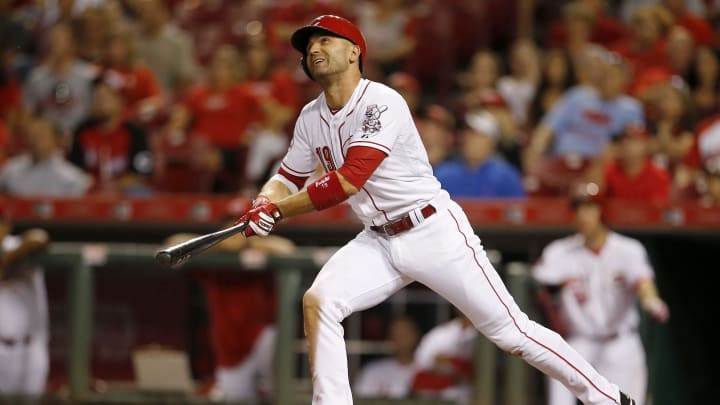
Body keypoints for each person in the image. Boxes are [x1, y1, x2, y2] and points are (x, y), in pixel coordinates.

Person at [232, 15, 639, 405]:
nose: (313, 49)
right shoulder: (310, 117)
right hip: (377, 238)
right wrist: (264, 201)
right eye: (308, 46)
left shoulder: (381, 101)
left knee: (512, 333)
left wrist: (279, 212)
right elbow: (287, 175)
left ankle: (608, 398)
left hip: (431, 231)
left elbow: (348, 180)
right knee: (320, 300)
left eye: (325, 40)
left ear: (355, 51)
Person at [532, 183, 670, 405]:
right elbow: (538, 286)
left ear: (602, 211)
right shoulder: (559, 252)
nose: (583, 216)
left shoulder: (628, 249)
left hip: (620, 343)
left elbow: (643, 283)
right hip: (578, 343)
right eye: (578, 209)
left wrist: (651, 301)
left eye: (590, 208)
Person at [164, 199, 295, 403]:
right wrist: (216, 242)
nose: (234, 227)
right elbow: (173, 243)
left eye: (241, 221)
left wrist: (247, 241)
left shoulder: (262, 248)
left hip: (262, 342)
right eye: (230, 222)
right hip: (229, 352)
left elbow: (287, 249)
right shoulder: (215, 257)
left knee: (280, 393)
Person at [0, 199, 51, 397]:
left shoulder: (16, 244)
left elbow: (40, 237)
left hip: (31, 348)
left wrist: (5, 262)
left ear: (7, 224)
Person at [434, 110, 526, 199]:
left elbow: (518, 212)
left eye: (478, 135)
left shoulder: (506, 177)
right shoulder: (443, 174)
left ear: (492, 142)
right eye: (468, 133)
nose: (470, 139)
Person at [0, 115, 92, 196]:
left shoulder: (73, 179)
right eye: (32, 135)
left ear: (55, 139)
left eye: (41, 135)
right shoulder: (10, 170)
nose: (35, 140)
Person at [410, 312, 477, 404]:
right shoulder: (438, 336)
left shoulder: (497, 334)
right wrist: (453, 379)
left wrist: (452, 361)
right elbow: (418, 379)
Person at [353, 316, 420, 399]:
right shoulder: (373, 371)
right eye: (395, 334)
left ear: (416, 335)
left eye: (404, 334)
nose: (400, 339)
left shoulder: (430, 369)